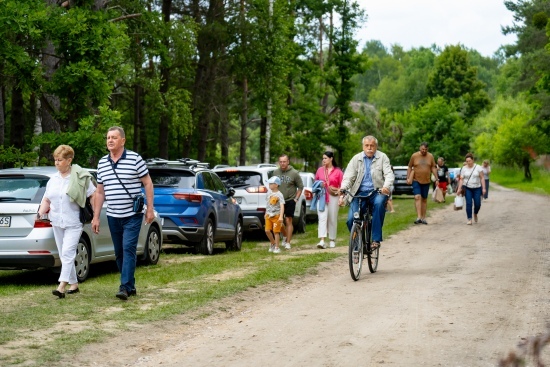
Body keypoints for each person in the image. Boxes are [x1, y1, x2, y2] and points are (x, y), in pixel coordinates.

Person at [92, 126, 155, 301]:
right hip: (113, 215)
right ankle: (130, 285)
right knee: (119, 252)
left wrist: (149, 208)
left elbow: (148, 183)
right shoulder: (102, 163)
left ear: (123, 141)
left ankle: (124, 287)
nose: (110, 140)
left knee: (128, 248)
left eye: (113, 137)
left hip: (132, 214)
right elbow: (99, 192)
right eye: (107, 138)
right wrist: (96, 216)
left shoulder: (135, 159)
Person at [37, 145, 96, 298]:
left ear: (69, 160)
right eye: (55, 160)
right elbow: (47, 199)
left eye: (60, 160)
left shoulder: (80, 177)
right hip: (56, 221)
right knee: (64, 255)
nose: (56, 163)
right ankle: (74, 284)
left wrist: (96, 216)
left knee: (68, 252)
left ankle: (61, 286)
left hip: (74, 221)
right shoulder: (53, 179)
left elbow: (93, 195)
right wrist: (41, 211)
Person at [339, 136, 394, 250]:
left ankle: (375, 239)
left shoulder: (382, 157)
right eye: (367, 146)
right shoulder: (356, 159)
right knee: (351, 220)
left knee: (379, 204)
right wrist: (343, 188)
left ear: (376, 147)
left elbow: (389, 174)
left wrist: (385, 187)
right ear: (363, 147)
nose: (369, 148)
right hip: (359, 193)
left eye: (372, 146)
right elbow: (348, 177)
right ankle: (357, 246)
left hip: (377, 191)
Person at [273, 154, 304, 250]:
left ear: (288, 162)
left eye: (284, 161)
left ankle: (288, 242)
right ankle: (285, 235)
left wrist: (296, 199)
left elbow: (301, 187)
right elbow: (273, 185)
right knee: (278, 221)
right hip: (278, 200)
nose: (282, 163)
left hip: (290, 200)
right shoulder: (275, 172)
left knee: (288, 220)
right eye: (281, 162)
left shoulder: (294, 173)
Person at [314, 151, 343, 249]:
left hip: (333, 196)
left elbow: (342, 186)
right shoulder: (320, 170)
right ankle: (322, 240)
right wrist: (319, 185)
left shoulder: (338, 171)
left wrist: (341, 197)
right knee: (322, 217)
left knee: (332, 217)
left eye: (326, 158)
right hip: (322, 196)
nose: (324, 160)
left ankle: (332, 239)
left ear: (331, 159)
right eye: (323, 158)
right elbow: (315, 182)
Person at [406, 142, 438, 224]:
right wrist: (408, 177)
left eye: (425, 150)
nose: (424, 151)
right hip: (416, 180)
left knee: (424, 199)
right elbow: (410, 166)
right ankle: (419, 217)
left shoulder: (430, 156)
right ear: (420, 148)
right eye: (422, 149)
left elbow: (433, 167)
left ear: (428, 149)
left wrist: (436, 178)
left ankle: (423, 218)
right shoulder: (414, 156)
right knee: (417, 197)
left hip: (426, 180)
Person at [457, 153, 486, 225]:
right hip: (467, 188)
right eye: (467, 161)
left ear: (473, 160)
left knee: (478, 204)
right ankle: (469, 219)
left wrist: (484, 188)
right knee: (469, 203)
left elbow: (482, 178)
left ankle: (475, 213)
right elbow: (461, 179)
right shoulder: (463, 168)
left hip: (477, 188)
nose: (468, 162)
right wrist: (459, 188)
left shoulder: (478, 167)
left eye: (469, 161)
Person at [264, 176, 285, 254]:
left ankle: (277, 247)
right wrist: (266, 213)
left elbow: (282, 205)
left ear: (276, 185)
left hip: (276, 215)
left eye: (271, 183)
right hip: (268, 215)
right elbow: (267, 204)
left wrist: (281, 216)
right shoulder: (268, 193)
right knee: (267, 230)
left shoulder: (280, 195)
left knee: (276, 231)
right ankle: (273, 243)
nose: (269, 185)